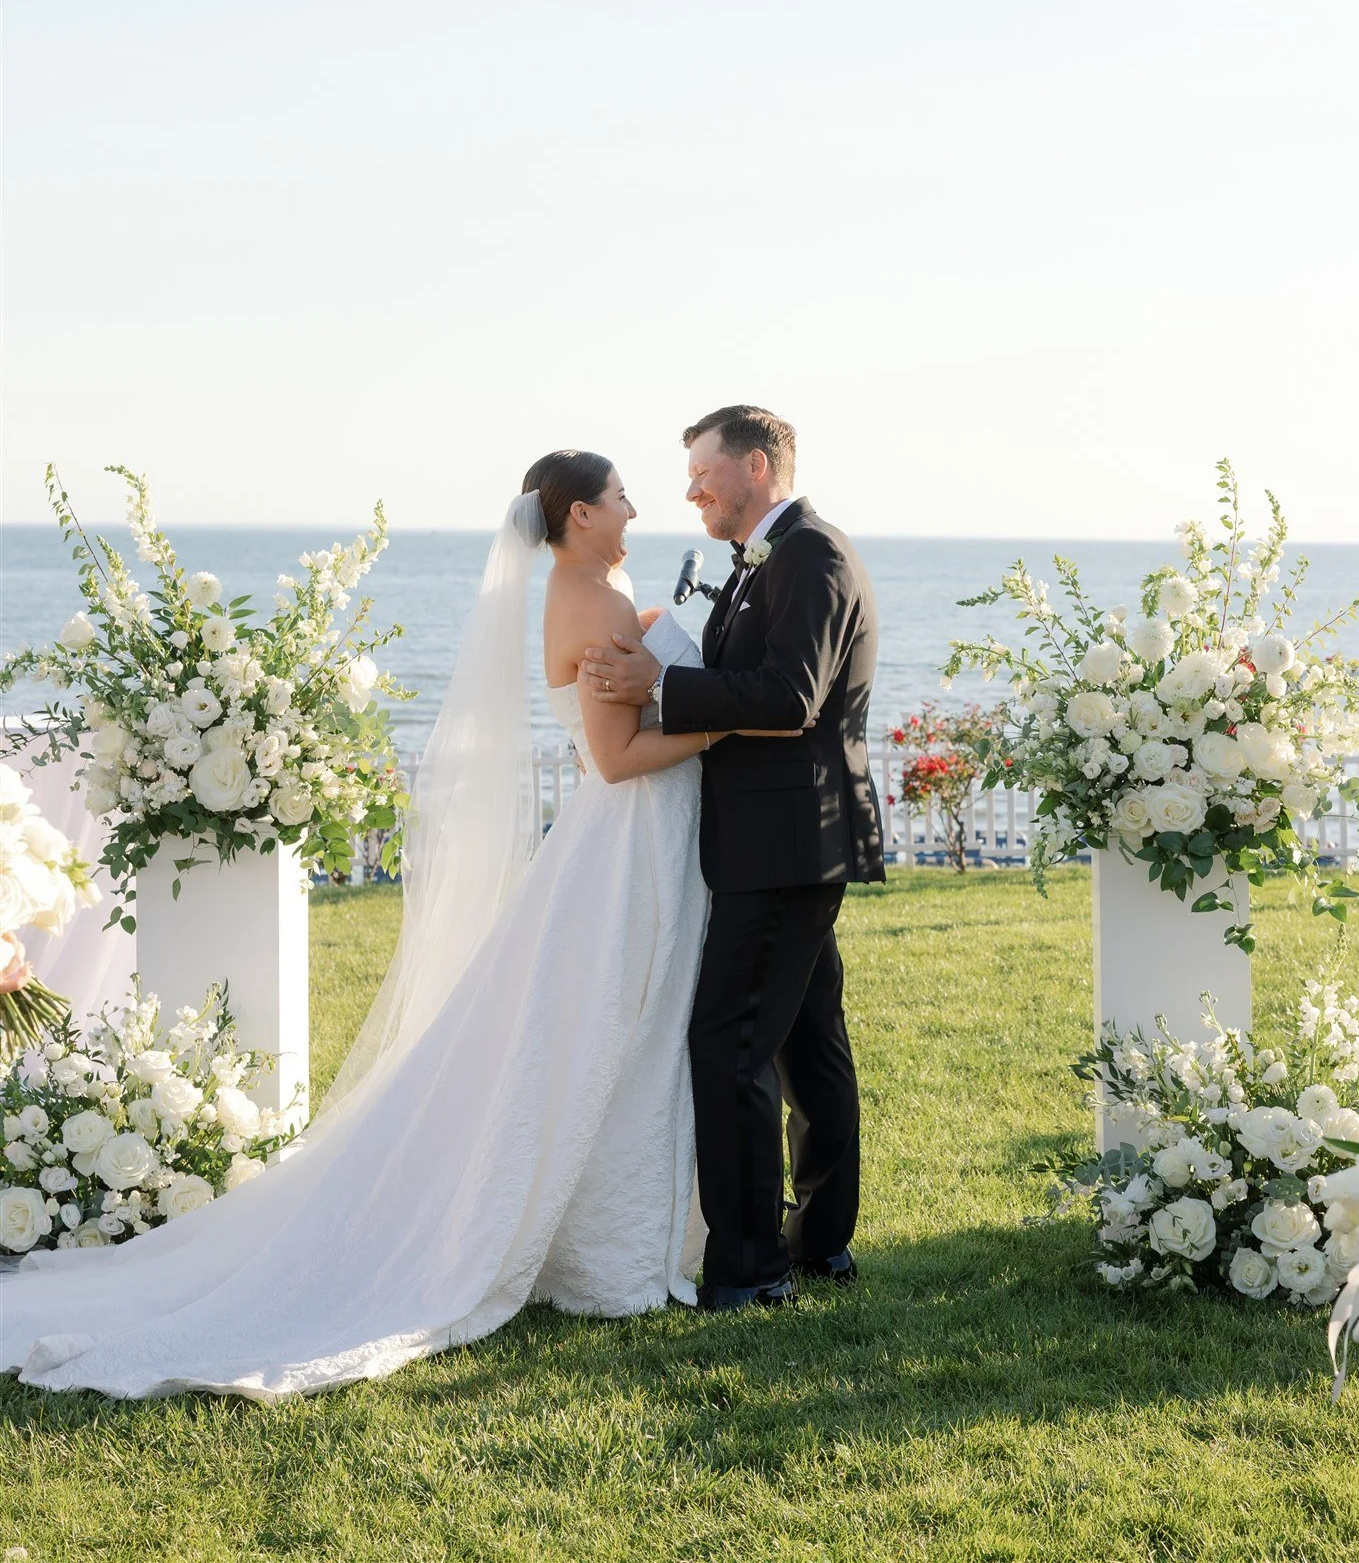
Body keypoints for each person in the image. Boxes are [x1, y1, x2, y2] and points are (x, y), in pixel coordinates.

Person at [0, 452, 741, 1400]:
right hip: (624, 842)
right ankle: (601, 1249)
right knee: (605, 1028)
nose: (639, 504)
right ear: (583, 513)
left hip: (650, 841)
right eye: (623, 494)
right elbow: (613, 754)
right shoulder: (584, 598)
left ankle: (615, 1233)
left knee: (632, 1029)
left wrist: (663, 630)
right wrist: (724, 725)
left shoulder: (608, 588)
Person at [581, 405, 882, 1309]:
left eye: (703, 473)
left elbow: (790, 697)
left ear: (756, 466)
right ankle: (818, 1245)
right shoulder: (768, 559)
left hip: (786, 844)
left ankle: (750, 1270)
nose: (690, 491)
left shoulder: (810, 555)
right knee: (804, 1042)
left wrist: (659, 686)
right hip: (780, 838)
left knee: (730, 1044)